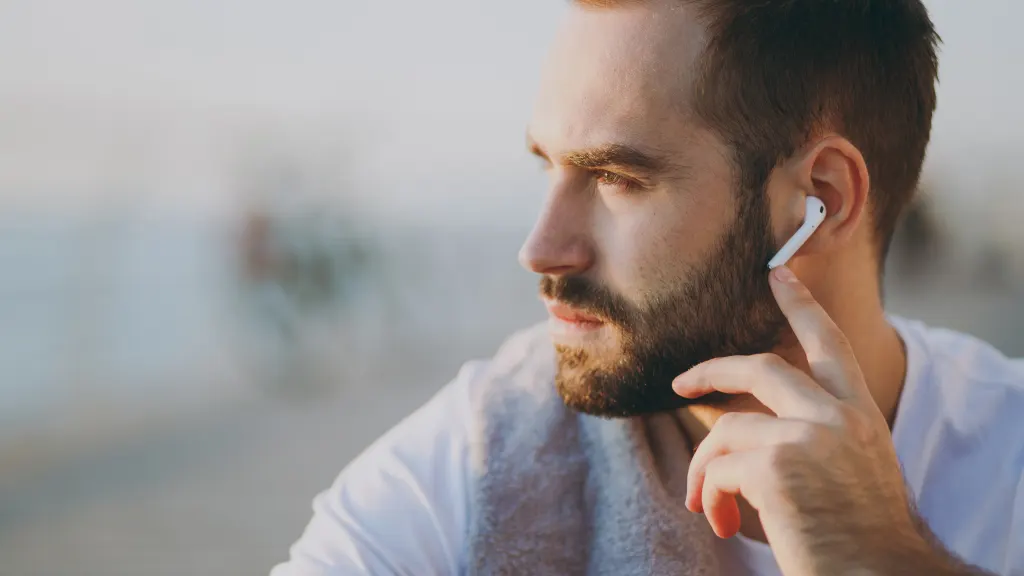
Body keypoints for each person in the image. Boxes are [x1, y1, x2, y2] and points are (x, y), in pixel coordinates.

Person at [271, 1, 1024, 574]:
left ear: (819, 198)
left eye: (616, 179)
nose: (540, 250)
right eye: (549, 166)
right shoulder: (474, 464)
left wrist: (887, 560)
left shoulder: (1008, 454)